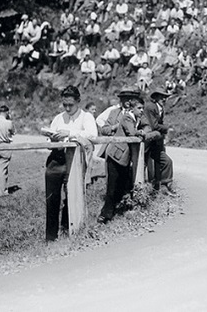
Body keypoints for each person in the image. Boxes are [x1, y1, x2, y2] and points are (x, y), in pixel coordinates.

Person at [43, 85, 98, 241]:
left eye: (70, 105)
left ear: (78, 101)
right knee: (52, 198)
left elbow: (92, 135)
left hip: (74, 159)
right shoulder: (59, 118)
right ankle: (51, 237)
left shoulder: (86, 117)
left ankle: (69, 231)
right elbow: (48, 142)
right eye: (64, 104)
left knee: (72, 196)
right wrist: (52, 139)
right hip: (56, 158)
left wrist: (70, 133)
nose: (67, 108)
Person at [96, 88, 147, 224]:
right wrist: (115, 128)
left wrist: (142, 131)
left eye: (130, 99)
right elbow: (105, 129)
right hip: (115, 153)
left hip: (126, 156)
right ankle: (106, 214)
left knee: (123, 183)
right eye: (125, 99)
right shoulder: (116, 113)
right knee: (112, 185)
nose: (127, 101)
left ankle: (118, 208)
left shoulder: (138, 114)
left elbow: (146, 126)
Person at [144, 88, 177, 194]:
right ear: (156, 97)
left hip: (156, 141)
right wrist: (166, 128)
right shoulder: (150, 107)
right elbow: (154, 125)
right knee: (141, 163)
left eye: (165, 97)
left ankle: (163, 186)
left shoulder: (160, 108)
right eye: (161, 96)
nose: (164, 99)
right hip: (147, 140)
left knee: (166, 161)